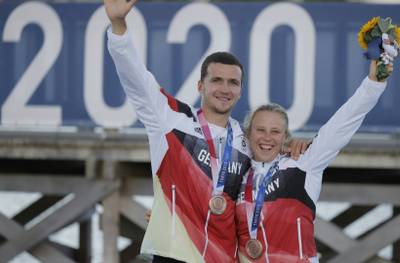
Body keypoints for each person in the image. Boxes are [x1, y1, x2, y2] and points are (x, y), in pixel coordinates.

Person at [104, 1, 307, 262]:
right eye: (217, 80)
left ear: (240, 91)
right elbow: (136, 79)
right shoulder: (172, 121)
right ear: (201, 85)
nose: (225, 88)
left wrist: (294, 147)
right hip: (173, 256)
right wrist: (119, 26)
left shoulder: (247, 142)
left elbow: (269, 174)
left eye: (233, 82)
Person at [235, 60, 392, 263]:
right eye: (260, 130)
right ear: (248, 134)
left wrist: (373, 84)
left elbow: (343, 123)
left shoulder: (303, 164)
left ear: (285, 137)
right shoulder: (235, 174)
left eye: (275, 132)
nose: (267, 137)